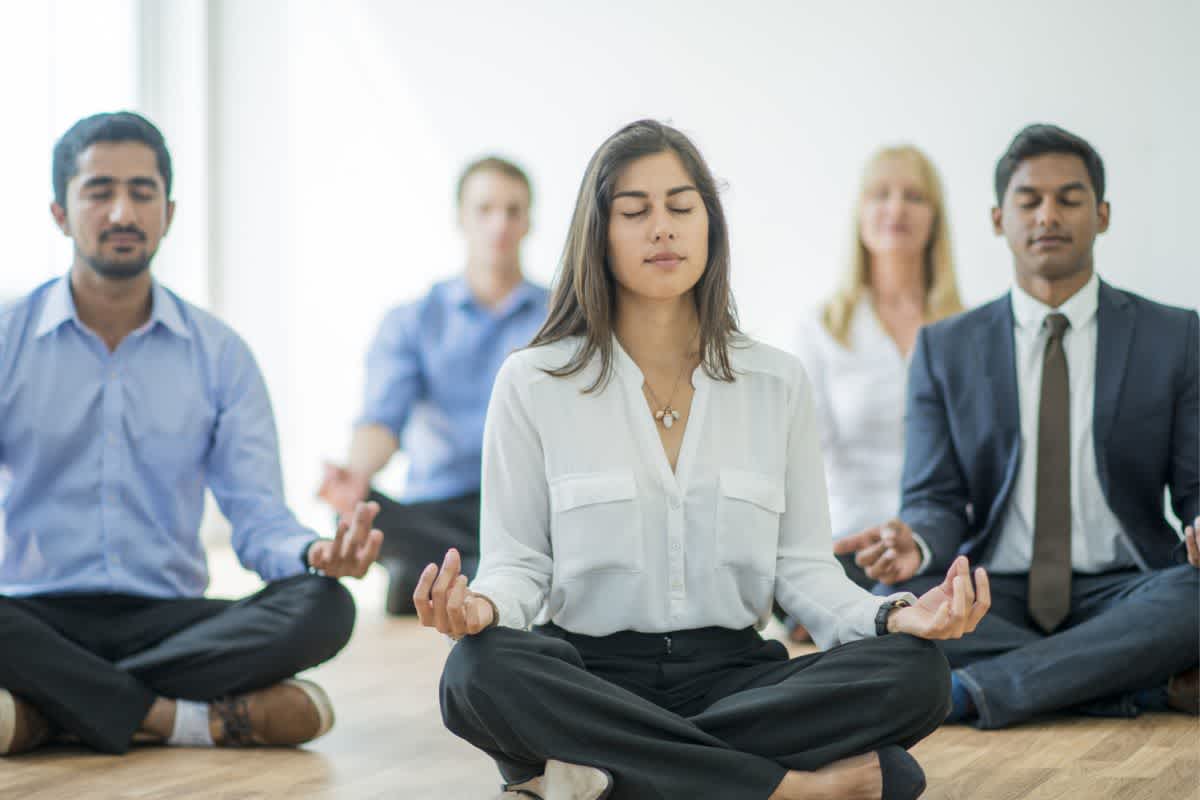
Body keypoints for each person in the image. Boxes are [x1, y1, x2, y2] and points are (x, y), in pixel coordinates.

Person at [414, 120, 991, 800]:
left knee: (918, 674)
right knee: (476, 674)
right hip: (588, 674)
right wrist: (481, 607)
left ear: (710, 228)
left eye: (682, 208)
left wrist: (895, 616)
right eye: (635, 212)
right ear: (597, 234)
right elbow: (519, 566)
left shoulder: (776, 381)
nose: (663, 228)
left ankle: (585, 777)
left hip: (736, 676)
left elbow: (802, 569)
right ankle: (791, 791)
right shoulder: (533, 382)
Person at [0, 112, 382, 757]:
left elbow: (257, 517)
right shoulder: (8, 341)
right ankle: (174, 719)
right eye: (99, 191)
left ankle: (51, 711)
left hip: (169, 621)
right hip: (33, 613)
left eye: (142, 192)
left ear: (167, 212)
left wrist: (312, 553)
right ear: (60, 213)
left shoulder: (220, 355)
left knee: (324, 607)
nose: (122, 210)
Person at [836, 123, 1199, 729]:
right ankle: (1138, 686)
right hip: (990, 591)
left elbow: (1195, 486)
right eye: (1029, 201)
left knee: (1196, 596)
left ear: (1103, 214)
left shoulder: (1175, 336)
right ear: (998, 218)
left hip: (1126, 587)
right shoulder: (945, 348)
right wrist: (917, 544)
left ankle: (968, 693)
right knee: (891, 603)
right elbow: (934, 499)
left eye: (1070, 198)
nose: (1048, 215)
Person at [318, 157, 548, 614]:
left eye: (512, 210)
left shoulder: (563, 316)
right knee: (361, 510)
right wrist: (355, 476)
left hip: (525, 506)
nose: (499, 223)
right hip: (438, 507)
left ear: (528, 222)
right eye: (485, 209)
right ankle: (486, 573)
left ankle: (442, 574)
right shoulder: (412, 320)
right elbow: (381, 421)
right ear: (461, 218)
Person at [795, 145, 964, 593]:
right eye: (880, 194)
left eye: (914, 196)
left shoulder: (969, 330)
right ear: (859, 214)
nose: (896, 208)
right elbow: (798, 459)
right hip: (847, 542)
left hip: (940, 545)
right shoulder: (822, 327)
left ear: (935, 218)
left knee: (916, 604)